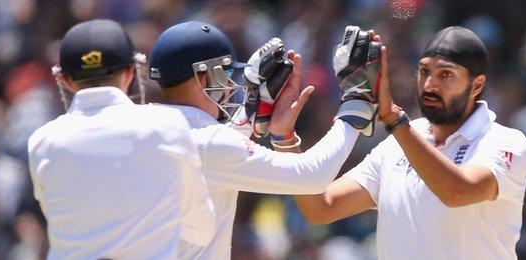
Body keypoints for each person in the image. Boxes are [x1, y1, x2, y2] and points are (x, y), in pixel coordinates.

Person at [148, 21, 383, 259]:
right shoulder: (211, 144)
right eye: (226, 74)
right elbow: (311, 177)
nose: (230, 85)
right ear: (207, 78)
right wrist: (356, 104)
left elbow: (213, 149)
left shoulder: (142, 127)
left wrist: (252, 108)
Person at [295, 26, 526, 259]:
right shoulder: (398, 142)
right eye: (424, 71)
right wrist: (285, 137)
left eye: (446, 74)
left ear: (476, 85)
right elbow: (322, 208)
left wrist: (393, 120)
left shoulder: (506, 142)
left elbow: (458, 192)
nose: (429, 85)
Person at [27, 19, 215, 259]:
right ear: (129, 72)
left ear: (65, 80)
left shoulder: (41, 142)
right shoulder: (168, 125)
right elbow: (201, 230)